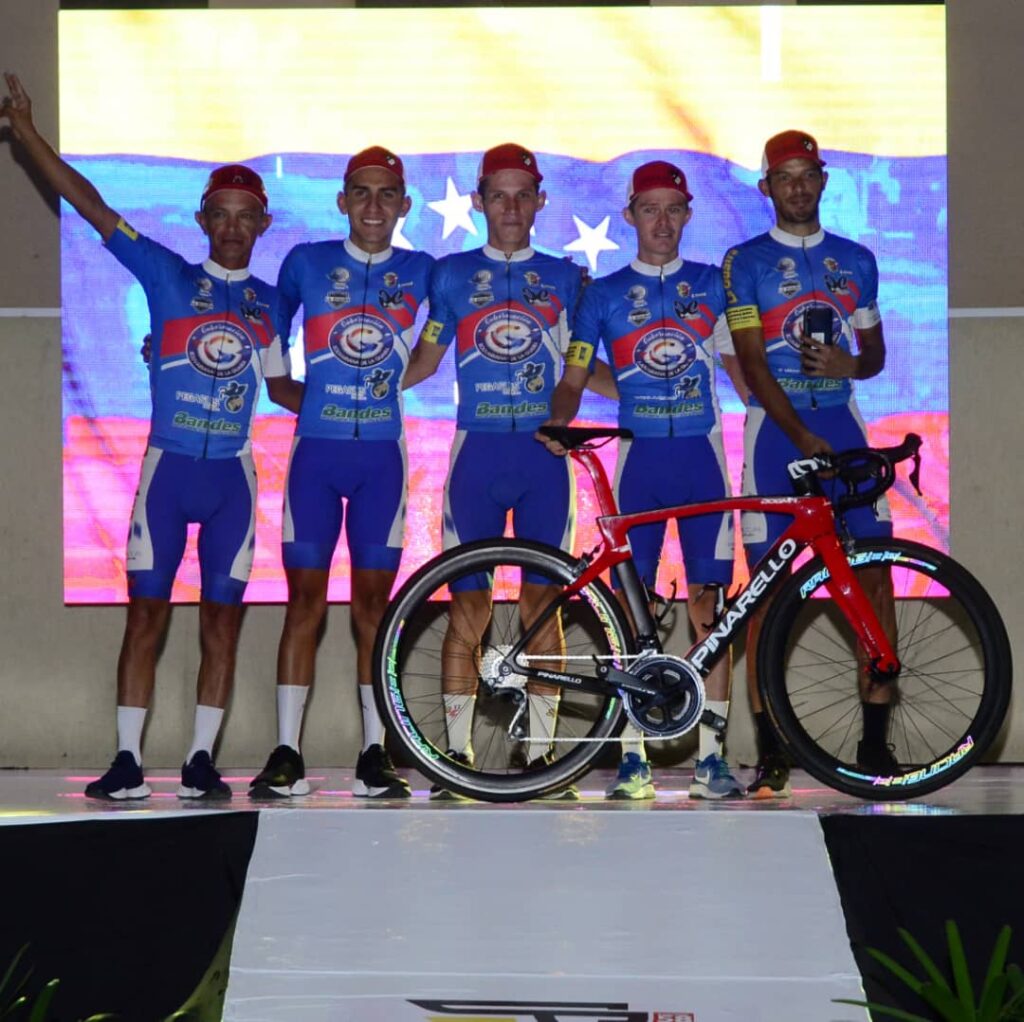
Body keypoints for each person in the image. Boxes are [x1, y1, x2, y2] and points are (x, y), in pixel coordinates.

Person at [1, 72, 294, 800]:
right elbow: (89, 204)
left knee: (222, 624)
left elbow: (282, 386)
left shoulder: (268, 303)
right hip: (167, 474)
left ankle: (199, 761)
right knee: (146, 616)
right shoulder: (163, 274)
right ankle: (128, 761)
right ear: (202, 220)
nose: (231, 226)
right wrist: (29, 135)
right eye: (220, 214)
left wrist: (361, 395)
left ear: (261, 224)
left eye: (245, 216)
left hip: (232, 477)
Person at [404, 143, 614, 800]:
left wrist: (670, 383)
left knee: (541, 603)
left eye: (525, 194)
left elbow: (584, 372)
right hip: (478, 457)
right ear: (479, 201)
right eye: (500, 194)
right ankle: (455, 757)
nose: (513, 206)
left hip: (542, 458)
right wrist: (331, 382)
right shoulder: (451, 275)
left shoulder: (568, 280)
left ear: (542, 202)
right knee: (466, 605)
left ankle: (541, 758)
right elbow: (420, 364)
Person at [540, 160, 749, 800]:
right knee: (635, 616)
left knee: (710, 611)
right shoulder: (600, 295)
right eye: (649, 209)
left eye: (673, 209)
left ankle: (711, 758)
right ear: (630, 216)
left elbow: (746, 377)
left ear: (688, 215)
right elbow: (575, 378)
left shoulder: (714, 286)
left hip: (701, 461)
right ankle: (632, 760)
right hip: (639, 466)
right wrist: (556, 422)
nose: (662, 221)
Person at [248, 147, 433, 800]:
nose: (375, 205)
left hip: (381, 455)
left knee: (372, 611)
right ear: (343, 200)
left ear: (405, 205)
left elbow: (447, 341)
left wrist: (386, 389)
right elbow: (265, 326)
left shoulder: (423, 270)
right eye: (362, 192)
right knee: (304, 603)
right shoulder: (306, 263)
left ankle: (374, 753)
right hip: (317, 459)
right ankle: (286, 752)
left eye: (388, 194)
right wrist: (286, 389)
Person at [722, 129, 894, 798]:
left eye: (807, 175)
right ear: (766, 187)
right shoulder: (745, 261)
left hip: (842, 427)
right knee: (764, 591)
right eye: (783, 177)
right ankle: (771, 752)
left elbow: (874, 357)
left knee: (874, 580)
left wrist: (854, 364)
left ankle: (874, 744)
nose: (796, 187)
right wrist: (796, 432)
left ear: (823, 181)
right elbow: (753, 361)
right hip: (777, 433)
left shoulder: (858, 260)